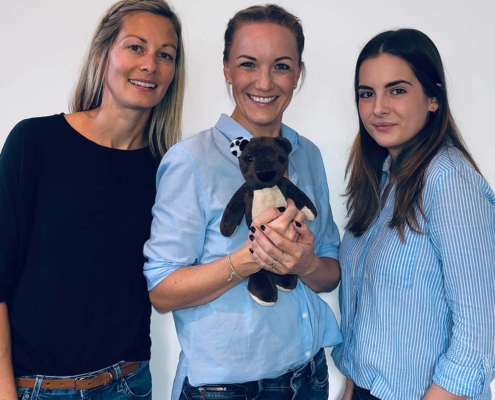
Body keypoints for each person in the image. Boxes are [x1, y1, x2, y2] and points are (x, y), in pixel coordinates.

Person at [143, 4, 342, 400]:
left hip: (310, 377)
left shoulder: (306, 154)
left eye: (281, 66)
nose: (264, 82)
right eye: (248, 64)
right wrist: (250, 258)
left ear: (298, 73)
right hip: (228, 391)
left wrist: (305, 264)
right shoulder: (191, 161)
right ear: (227, 70)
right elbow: (162, 290)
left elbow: (330, 272)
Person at [0, 0, 185, 398]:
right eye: (135, 47)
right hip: (35, 387)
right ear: (104, 53)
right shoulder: (34, 143)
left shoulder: (170, 171)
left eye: (165, 55)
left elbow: (173, 277)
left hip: (128, 384)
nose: (150, 64)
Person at [331, 28, 495, 400]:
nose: (378, 108)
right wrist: (352, 388)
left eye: (397, 90)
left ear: (433, 98)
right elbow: (367, 314)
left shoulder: (449, 182)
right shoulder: (379, 180)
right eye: (366, 93)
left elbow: (480, 334)